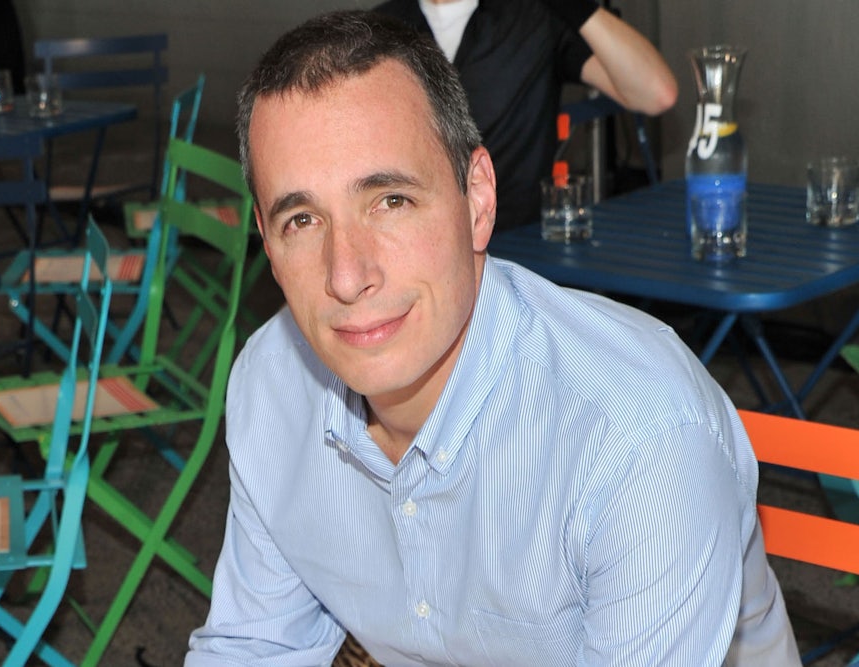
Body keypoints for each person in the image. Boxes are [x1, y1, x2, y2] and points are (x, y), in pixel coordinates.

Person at [186, 10, 799, 666]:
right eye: (302, 220)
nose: (346, 275)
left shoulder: (636, 438)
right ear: (266, 240)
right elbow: (257, 648)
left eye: (391, 200)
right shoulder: (273, 382)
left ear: (478, 198)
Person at [374, 0, 678, 231]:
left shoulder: (532, 18)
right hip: (408, 238)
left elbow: (656, 93)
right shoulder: (378, 28)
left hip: (515, 245)